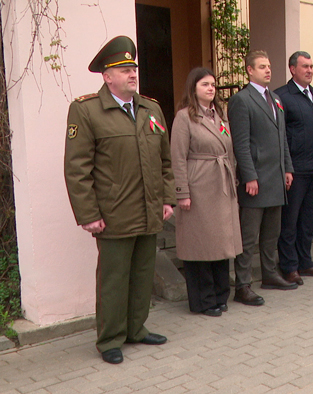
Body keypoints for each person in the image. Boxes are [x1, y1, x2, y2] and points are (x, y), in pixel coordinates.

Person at [64, 36, 175, 364]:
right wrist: (88, 213)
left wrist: (167, 198)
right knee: (113, 279)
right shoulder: (86, 110)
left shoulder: (151, 109)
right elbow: (77, 168)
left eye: (133, 69)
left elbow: (165, 161)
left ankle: (136, 329)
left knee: (143, 273)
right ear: (106, 76)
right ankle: (110, 338)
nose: (132, 74)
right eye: (124, 69)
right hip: (113, 214)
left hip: (149, 210)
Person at [170, 67, 243, 317]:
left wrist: (233, 178)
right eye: (205, 84)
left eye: (213, 84)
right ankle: (204, 300)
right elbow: (177, 157)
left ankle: (221, 294)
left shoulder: (219, 116)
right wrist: (182, 192)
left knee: (221, 244)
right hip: (199, 186)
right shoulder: (184, 117)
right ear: (194, 88)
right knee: (200, 245)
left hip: (221, 185)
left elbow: (229, 149)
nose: (211, 88)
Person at [229, 51, 298, 305]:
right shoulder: (241, 100)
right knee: (249, 237)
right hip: (255, 180)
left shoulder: (276, 99)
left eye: (269, 66)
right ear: (249, 70)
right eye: (261, 67)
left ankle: (269, 274)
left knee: (272, 233)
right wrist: (249, 175)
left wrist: (288, 169)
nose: (268, 71)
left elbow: (283, 140)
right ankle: (243, 284)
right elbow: (241, 143)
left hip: (276, 178)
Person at [274, 51, 313, 285]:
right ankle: (289, 266)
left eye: (311, 66)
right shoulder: (282, 96)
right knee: (290, 221)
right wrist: (287, 168)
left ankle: (305, 262)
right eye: (304, 66)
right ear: (292, 69)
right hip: (296, 171)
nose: (309, 70)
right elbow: (281, 137)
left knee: (309, 220)